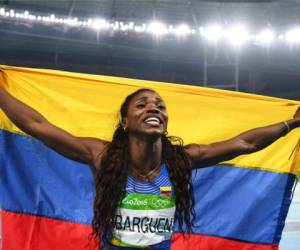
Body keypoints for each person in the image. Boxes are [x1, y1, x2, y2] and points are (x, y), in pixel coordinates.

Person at [0, 84, 299, 250]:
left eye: (159, 105)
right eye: (142, 105)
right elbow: (38, 126)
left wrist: (292, 122)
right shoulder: (102, 156)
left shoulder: (180, 160)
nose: (154, 107)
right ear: (126, 121)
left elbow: (244, 144)